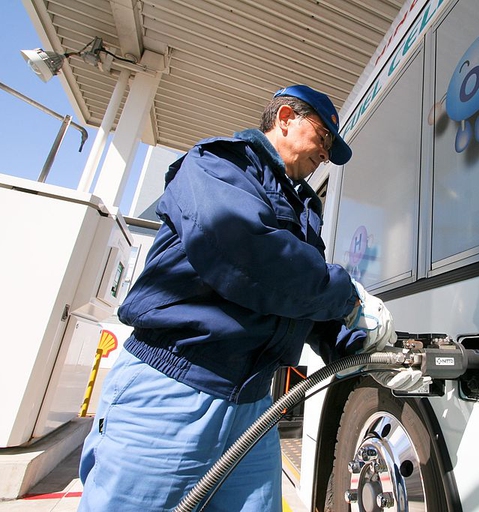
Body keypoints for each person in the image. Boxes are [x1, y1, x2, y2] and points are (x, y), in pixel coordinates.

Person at [77, 84, 421, 512]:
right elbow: (246, 253)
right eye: (323, 136)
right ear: (285, 118)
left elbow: (298, 304)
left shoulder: (301, 213)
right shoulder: (219, 163)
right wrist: (348, 297)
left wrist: (372, 353)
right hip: (175, 386)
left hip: (254, 406)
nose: (325, 153)